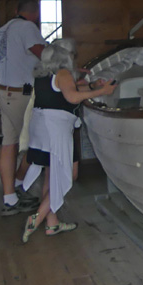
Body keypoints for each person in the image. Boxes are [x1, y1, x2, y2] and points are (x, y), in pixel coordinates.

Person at [21, 39, 116, 242]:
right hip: (56, 129)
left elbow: (64, 90)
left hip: (40, 127)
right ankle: (36, 218)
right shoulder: (63, 73)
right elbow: (72, 97)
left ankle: (52, 223)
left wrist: (90, 85)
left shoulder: (43, 73)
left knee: (50, 174)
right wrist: (101, 91)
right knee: (68, 174)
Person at [0, 0, 47, 216]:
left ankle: (10, 195)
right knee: (34, 143)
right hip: (20, 94)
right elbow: (43, 55)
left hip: (3, 90)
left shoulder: (3, 29)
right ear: (35, 14)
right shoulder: (28, 28)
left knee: (9, 144)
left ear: (17, 10)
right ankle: (18, 184)